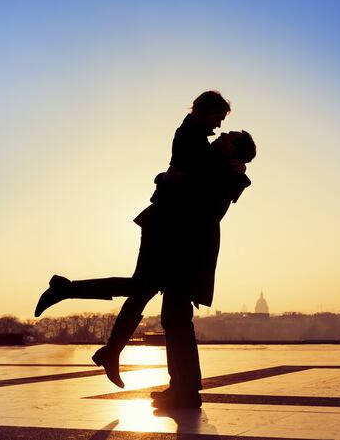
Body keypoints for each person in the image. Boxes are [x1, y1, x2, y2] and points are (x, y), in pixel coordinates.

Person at [35, 91, 255, 409]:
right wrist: (167, 177)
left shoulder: (220, 165)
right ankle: (182, 389)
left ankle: (71, 294)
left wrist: (167, 179)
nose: (222, 128)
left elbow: (193, 187)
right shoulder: (207, 152)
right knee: (172, 317)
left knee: (147, 292)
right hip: (180, 243)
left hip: (178, 242)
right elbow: (186, 162)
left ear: (235, 150)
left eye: (228, 132)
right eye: (221, 119)